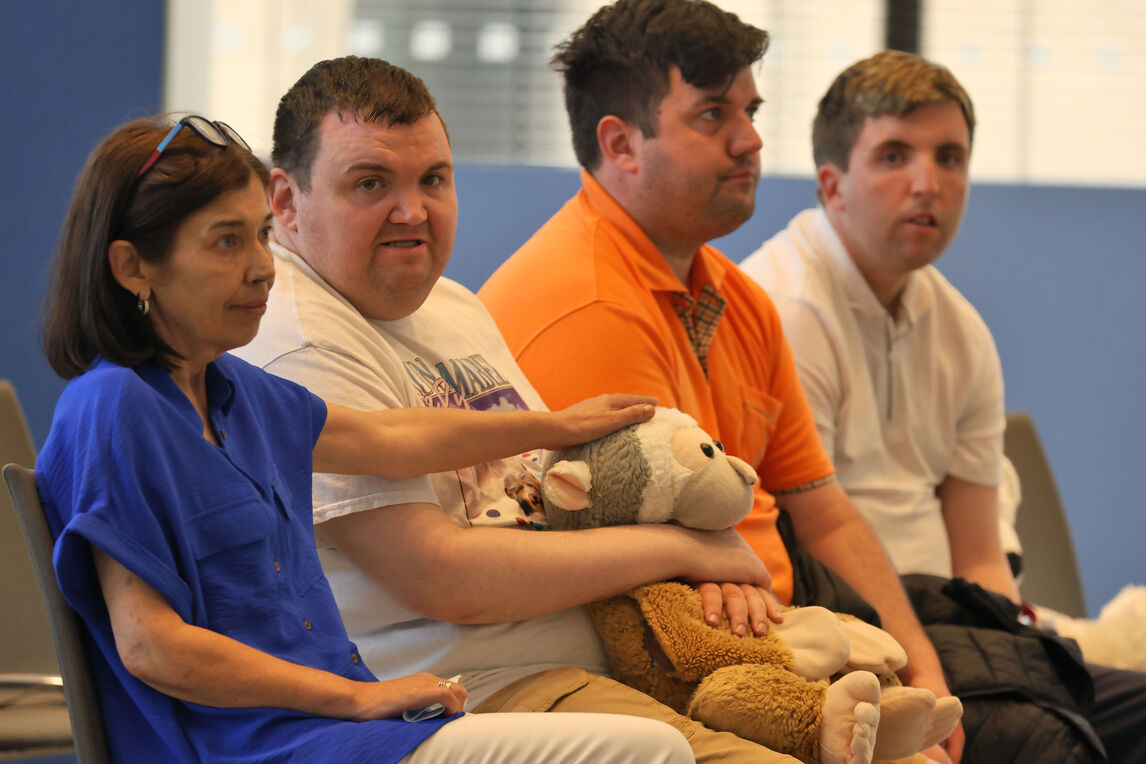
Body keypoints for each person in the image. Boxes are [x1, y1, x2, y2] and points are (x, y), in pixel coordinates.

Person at [36, 114, 693, 764]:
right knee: (645, 750)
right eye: (226, 243)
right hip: (256, 745)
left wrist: (559, 425)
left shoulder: (232, 389)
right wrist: (350, 700)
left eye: (262, 234)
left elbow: (394, 437)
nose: (263, 267)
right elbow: (152, 645)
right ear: (132, 267)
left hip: (334, 728)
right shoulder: (113, 405)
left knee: (647, 745)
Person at [235, 55, 802, 762]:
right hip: (472, 693)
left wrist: (702, 569)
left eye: (433, 180)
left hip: (607, 657)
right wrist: (690, 547)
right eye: (371, 183)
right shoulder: (295, 337)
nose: (411, 212)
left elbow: (562, 496)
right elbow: (442, 579)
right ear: (284, 200)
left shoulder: (452, 304)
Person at [478, 2, 959, 761]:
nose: (751, 139)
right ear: (621, 144)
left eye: (751, 110)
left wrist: (924, 676)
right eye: (712, 115)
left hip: (798, 630)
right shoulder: (590, 303)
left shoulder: (737, 296)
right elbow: (664, 590)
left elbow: (824, 513)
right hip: (694, 669)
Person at [738, 50, 1146, 763]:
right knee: (1056, 743)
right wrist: (922, 673)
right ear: (832, 185)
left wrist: (1014, 653)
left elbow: (981, 551)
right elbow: (805, 542)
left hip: (954, 625)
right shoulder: (785, 309)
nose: (928, 183)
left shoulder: (963, 331)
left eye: (950, 157)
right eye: (895, 155)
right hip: (846, 634)